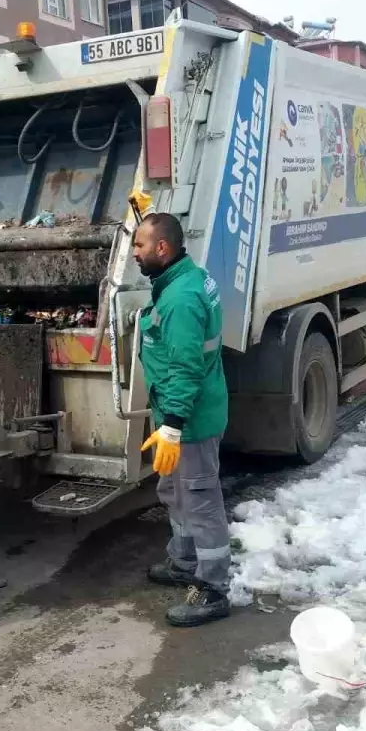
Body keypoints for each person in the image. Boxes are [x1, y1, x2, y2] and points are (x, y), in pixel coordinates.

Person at [133, 212, 232, 627]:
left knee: (201, 499)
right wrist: (147, 212)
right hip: (178, 416)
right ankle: (184, 560)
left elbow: (186, 369)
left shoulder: (181, 300)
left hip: (190, 420)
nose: (134, 253)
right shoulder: (182, 278)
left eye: (139, 245)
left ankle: (213, 588)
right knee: (174, 490)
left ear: (162, 249)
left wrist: (172, 427)